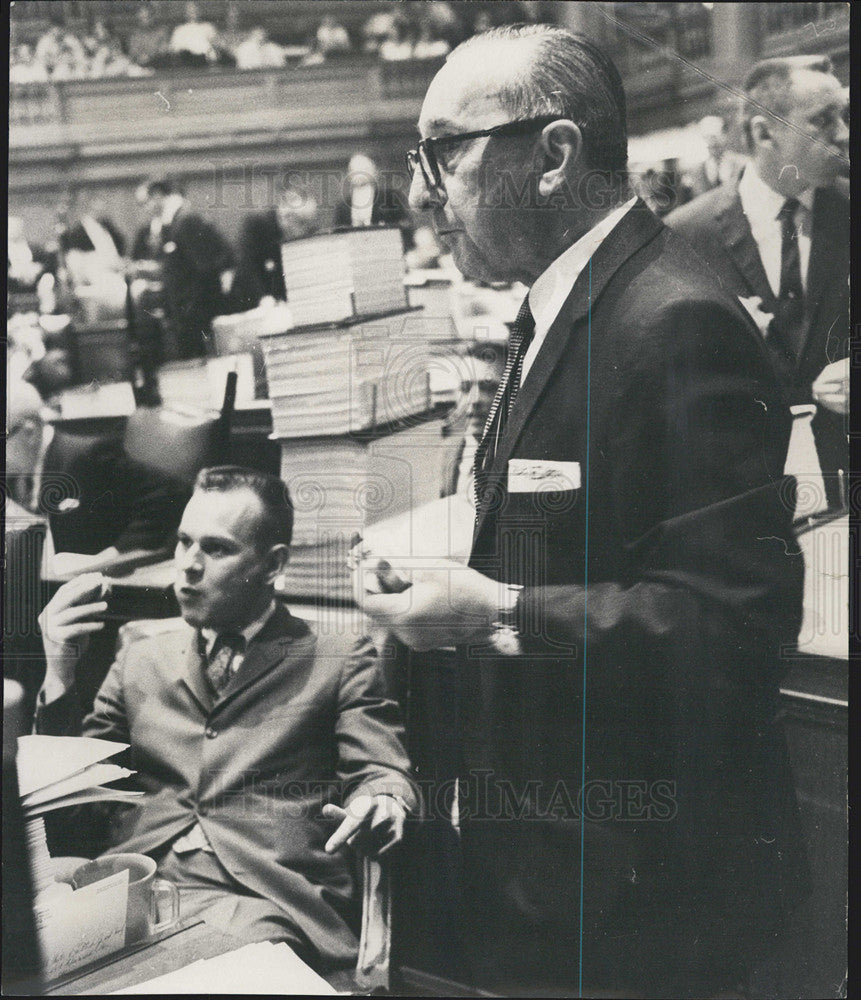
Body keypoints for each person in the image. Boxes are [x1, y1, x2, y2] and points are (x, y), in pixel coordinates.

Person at [362, 24, 808, 996]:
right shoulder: (560, 301)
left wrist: (492, 614)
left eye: (444, 155)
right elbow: (574, 518)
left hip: (645, 902)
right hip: (557, 875)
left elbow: (731, 631)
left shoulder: (677, 319)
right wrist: (459, 548)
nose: (421, 196)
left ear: (556, 154)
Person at [35, 466, 419, 973]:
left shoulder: (338, 656)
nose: (188, 566)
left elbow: (379, 769)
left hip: (259, 898)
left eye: (216, 549)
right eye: (182, 543)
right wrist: (60, 671)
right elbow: (74, 813)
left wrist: (382, 801)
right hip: (133, 888)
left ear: (271, 563)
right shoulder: (140, 656)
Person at [667, 56, 849, 509]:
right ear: (763, 134)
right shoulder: (687, 235)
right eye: (823, 121)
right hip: (745, 501)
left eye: (844, 116)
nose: (844, 134)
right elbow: (670, 378)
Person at [6, 379, 189, 561]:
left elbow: (171, 493)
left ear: (29, 433)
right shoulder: (17, 470)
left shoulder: (87, 457)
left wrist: (111, 555)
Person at [143, 178, 235, 359]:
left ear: (158, 196)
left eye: (148, 201)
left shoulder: (185, 220)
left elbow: (202, 268)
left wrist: (189, 311)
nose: (147, 207)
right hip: (188, 308)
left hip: (194, 311)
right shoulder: (176, 220)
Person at [232, 182, 319, 310]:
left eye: (305, 224)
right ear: (286, 216)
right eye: (299, 223)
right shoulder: (256, 225)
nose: (302, 231)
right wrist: (263, 298)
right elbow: (246, 266)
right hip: (250, 303)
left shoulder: (307, 232)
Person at [439, 340, 506, 501]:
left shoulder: (521, 458)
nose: (474, 400)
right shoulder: (446, 453)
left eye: (488, 388)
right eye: (465, 387)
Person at [333, 153, 414, 250]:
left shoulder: (390, 198)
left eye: (364, 169)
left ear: (374, 171)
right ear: (349, 174)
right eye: (354, 170)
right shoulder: (343, 206)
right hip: (354, 252)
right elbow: (337, 235)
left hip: (387, 250)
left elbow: (405, 226)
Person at [684, 114, 747, 199]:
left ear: (725, 136)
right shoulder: (697, 171)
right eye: (707, 137)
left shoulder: (741, 164)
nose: (711, 143)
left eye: (715, 137)